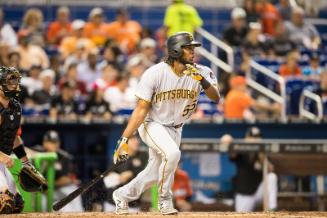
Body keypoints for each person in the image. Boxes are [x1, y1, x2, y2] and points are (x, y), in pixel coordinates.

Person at [111, 31, 220, 215]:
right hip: (152, 124)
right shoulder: (155, 73)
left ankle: (122, 195)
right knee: (172, 154)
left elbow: (216, 97)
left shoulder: (201, 72)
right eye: (188, 48)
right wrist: (124, 139)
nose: (193, 51)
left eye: (193, 48)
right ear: (176, 50)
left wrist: (202, 81)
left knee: (154, 174)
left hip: (176, 128)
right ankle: (164, 199)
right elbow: (141, 109)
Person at [0, 66, 46, 213]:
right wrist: (3, 156)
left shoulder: (15, 107)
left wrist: (26, 162)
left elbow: (14, 137)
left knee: (17, 204)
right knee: (4, 203)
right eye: (10, 81)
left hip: (1, 163)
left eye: (15, 80)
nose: (14, 84)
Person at [225, 126, 278, 212]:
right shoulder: (241, 150)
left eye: (257, 138)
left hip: (258, 192)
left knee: (272, 177)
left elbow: (271, 169)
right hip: (244, 194)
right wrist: (228, 141)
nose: (255, 140)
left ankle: (272, 210)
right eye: (252, 137)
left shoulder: (262, 152)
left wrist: (262, 158)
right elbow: (232, 154)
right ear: (246, 138)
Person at [31, 130, 84, 212]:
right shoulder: (37, 152)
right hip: (41, 191)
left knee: (74, 191)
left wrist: (48, 185)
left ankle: (80, 213)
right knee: (43, 204)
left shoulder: (64, 156)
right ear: (44, 143)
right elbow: (23, 151)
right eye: (51, 142)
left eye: (56, 142)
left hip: (58, 189)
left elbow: (67, 179)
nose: (54, 145)